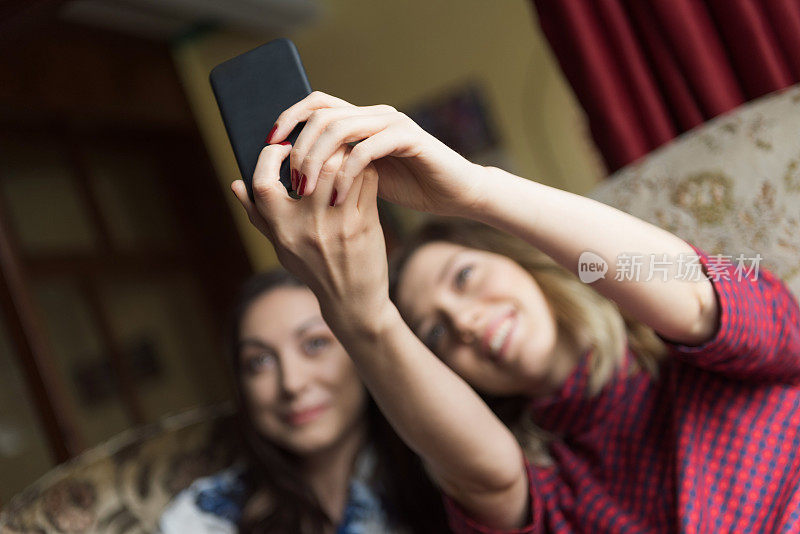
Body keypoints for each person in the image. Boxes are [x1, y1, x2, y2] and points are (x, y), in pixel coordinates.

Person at [232, 91, 800, 533]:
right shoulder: (544, 482)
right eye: (436, 333)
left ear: (522, 264)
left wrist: (476, 191)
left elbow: (699, 293)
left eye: (466, 277)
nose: (468, 322)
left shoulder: (660, 312)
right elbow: (487, 477)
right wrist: (362, 316)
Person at [159, 268, 447, 534]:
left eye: (315, 344)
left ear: (360, 352)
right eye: (259, 361)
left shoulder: (443, 473)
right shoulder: (205, 515)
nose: (292, 384)